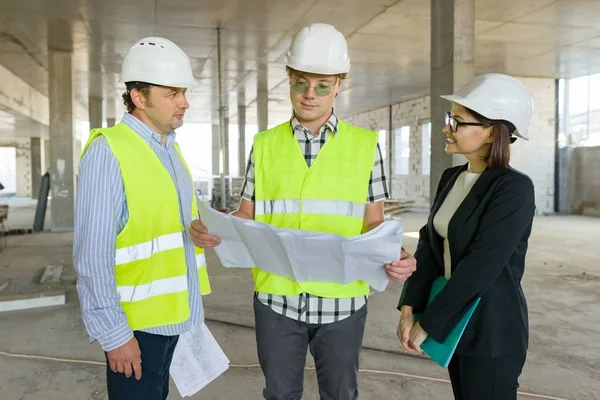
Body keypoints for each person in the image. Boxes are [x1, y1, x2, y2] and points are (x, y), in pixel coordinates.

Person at [189, 23, 416, 400]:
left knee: (341, 394)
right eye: (301, 83)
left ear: (339, 85)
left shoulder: (365, 146)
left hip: (342, 302)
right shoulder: (264, 145)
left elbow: (374, 224)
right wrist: (214, 228)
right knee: (279, 395)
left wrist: (399, 255)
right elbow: (246, 215)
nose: (310, 95)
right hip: (277, 301)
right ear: (290, 80)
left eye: (322, 85)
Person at [73, 36, 210, 400]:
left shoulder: (170, 150)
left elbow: (159, 223)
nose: (185, 102)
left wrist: (196, 231)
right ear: (139, 96)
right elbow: (92, 255)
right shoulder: (109, 151)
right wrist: (115, 335)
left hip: (172, 318)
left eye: (184, 92)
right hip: (134, 328)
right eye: (173, 94)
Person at [396, 73, 536, 400]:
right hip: (456, 327)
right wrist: (409, 306)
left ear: (492, 132)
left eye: (457, 121)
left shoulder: (513, 189)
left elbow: (481, 267)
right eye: (449, 118)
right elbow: (430, 245)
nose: (447, 128)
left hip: (491, 331)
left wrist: (429, 323)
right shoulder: (451, 177)